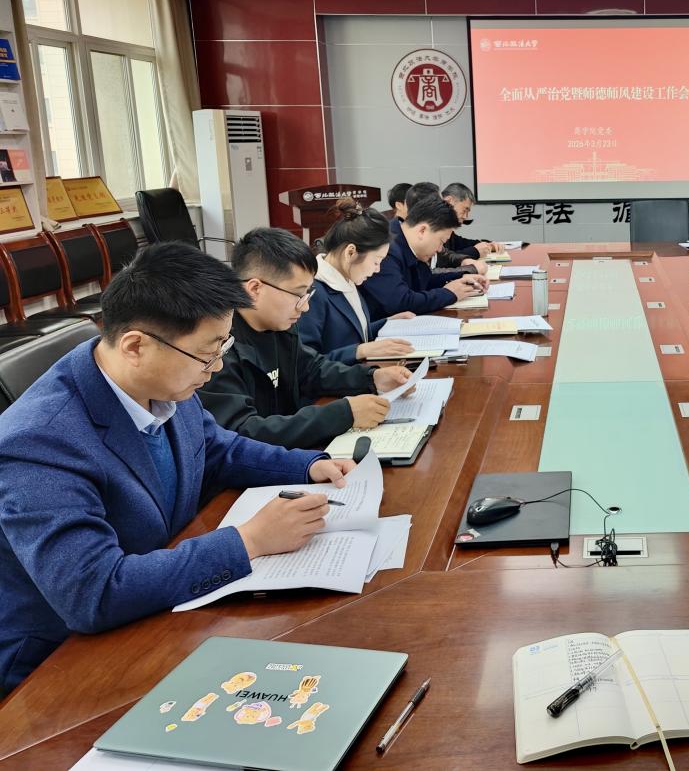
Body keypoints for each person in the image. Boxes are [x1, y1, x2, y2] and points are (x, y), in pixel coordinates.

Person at [0, 243, 355, 696]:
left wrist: (309, 465)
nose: (217, 367)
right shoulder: (37, 443)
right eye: (207, 354)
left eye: (223, 347)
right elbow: (93, 592)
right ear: (135, 346)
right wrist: (250, 540)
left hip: (162, 606)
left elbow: (217, 447)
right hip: (60, 666)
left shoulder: (162, 380)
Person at [199, 228, 413, 450]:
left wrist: (372, 378)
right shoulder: (217, 348)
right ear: (255, 288)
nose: (306, 306)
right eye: (298, 294)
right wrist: (341, 414)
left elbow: (312, 369)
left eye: (308, 294)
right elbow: (243, 432)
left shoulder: (279, 327)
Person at [296, 199, 416, 365]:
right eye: (376, 261)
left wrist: (387, 322)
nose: (377, 269)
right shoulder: (313, 292)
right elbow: (305, 364)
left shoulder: (347, 278)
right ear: (351, 252)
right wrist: (360, 351)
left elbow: (348, 334)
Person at [360, 193, 488, 317]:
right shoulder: (385, 247)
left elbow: (425, 279)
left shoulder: (405, 241)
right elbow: (401, 302)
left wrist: (462, 276)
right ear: (422, 230)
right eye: (441, 241)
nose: (440, 249)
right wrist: (449, 293)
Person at [442, 182, 505, 259]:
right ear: (449, 201)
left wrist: (488, 245)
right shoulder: (433, 225)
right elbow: (441, 260)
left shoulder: (446, 228)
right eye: (465, 210)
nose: (465, 217)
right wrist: (475, 251)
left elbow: (462, 243)